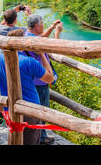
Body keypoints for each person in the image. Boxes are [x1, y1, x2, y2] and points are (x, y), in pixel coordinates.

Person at [23, 14, 62, 145]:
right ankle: (41, 137)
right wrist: (57, 32)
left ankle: (36, 134)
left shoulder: (26, 35)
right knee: (42, 108)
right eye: (42, 23)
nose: (43, 25)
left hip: (30, 79)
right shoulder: (37, 42)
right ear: (36, 26)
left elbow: (42, 36)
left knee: (34, 106)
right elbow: (57, 47)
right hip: (40, 80)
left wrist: (51, 27)